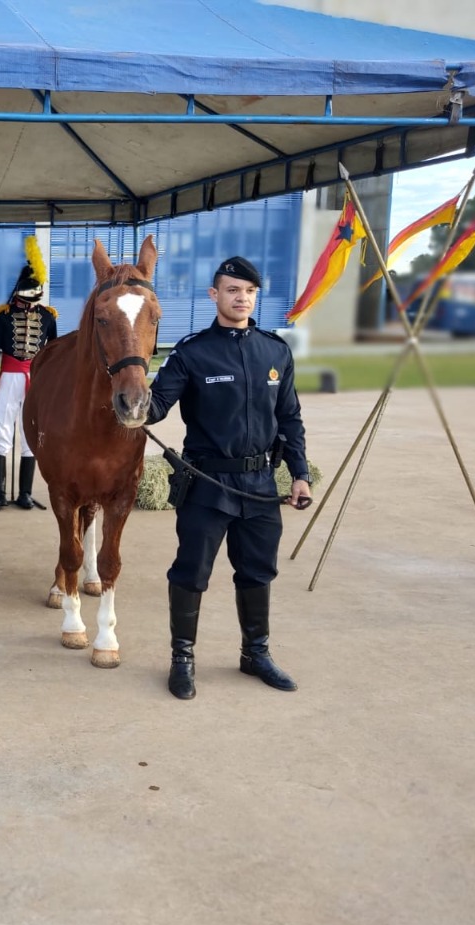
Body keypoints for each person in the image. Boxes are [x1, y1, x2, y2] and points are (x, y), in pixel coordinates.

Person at [145, 256, 312, 700]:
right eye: (233, 290)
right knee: (191, 572)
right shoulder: (192, 352)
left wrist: (299, 474)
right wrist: (129, 397)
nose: (242, 298)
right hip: (207, 485)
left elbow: (290, 418)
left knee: (257, 572)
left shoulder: (275, 351)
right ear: (213, 295)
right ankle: (183, 659)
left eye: (249, 292)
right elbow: (156, 405)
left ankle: (255, 654)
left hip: (260, 487)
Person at [0, 236, 58, 510]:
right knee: (2, 429)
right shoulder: (2, 316)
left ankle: (25, 492)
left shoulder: (49, 316)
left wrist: (50, 380)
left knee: (32, 433)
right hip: (10, 376)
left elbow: (52, 350)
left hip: (36, 380)